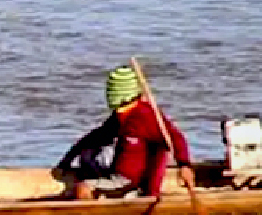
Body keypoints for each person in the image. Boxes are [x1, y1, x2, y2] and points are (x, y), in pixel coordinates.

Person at [54, 64, 199, 200]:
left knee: (83, 188)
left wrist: (184, 165)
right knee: (87, 158)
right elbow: (94, 138)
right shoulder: (119, 117)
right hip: (115, 173)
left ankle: (91, 214)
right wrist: (66, 161)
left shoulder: (147, 116)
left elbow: (175, 138)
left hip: (130, 181)